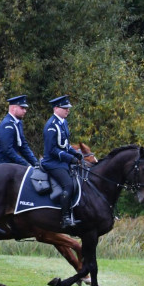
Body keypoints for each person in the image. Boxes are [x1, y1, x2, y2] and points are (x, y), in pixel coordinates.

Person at [42, 95, 85, 229]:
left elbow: (65, 145)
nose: (68, 110)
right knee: (68, 185)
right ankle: (65, 217)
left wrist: (75, 153)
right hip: (52, 163)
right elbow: (52, 150)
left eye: (68, 108)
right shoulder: (51, 126)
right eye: (64, 108)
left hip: (62, 162)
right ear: (56, 108)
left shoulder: (63, 122)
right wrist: (69, 158)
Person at [0, 94, 38, 167]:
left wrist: (35, 163)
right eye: (22, 108)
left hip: (8, 165)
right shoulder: (7, 124)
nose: (25, 111)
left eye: (25, 108)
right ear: (14, 108)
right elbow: (7, 150)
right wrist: (25, 164)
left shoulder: (18, 123)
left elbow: (23, 146)